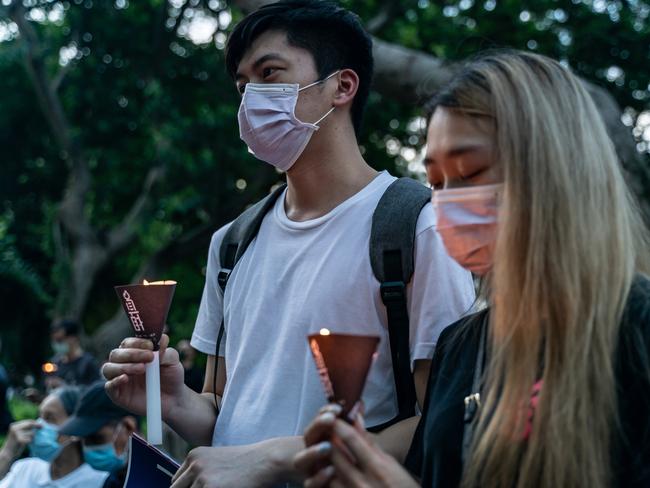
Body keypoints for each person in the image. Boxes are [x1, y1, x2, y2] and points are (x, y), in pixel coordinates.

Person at [102, 1, 475, 485]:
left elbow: (440, 420)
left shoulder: (415, 227)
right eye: (242, 86)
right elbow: (226, 412)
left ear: (342, 86)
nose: (251, 99)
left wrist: (285, 455)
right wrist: (171, 398)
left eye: (269, 73)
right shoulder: (233, 243)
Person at [295, 50, 650, 488]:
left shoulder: (637, 327)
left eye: (472, 171)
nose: (446, 203)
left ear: (556, 168)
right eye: (437, 183)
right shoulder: (458, 347)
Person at [0, 385, 110, 487]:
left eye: (49, 418)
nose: (38, 425)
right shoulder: (25, 469)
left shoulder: (100, 481)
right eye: (39, 416)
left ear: (77, 428)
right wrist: (8, 452)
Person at [57, 381, 138, 488]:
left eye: (96, 438)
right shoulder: (112, 481)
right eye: (83, 439)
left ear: (128, 427)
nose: (88, 448)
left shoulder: (160, 479)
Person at [49, 319, 101, 387]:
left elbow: (95, 392)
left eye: (60, 340)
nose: (57, 344)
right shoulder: (55, 363)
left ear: (73, 338)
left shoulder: (88, 363)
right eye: (55, 340)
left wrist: (64, 386)